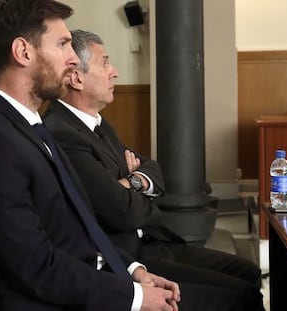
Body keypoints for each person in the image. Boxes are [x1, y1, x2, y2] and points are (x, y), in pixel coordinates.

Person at [0, 1, 248, 311]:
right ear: (23, 52)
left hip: (102, 279)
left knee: (240, 297)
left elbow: (82, 228)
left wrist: (134, 270)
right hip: (63, 301)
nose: (73, 58)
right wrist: (136, 297)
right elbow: (36, 266)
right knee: (238, 303)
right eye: (63, 44)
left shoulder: (28, 126)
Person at [43, 30, 265, 310]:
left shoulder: (97, 123)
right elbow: (120, 211)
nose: (114, 72)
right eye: (105, 63)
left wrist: (129, 182)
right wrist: (134, 186)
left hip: (153, 239)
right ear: (76, 78)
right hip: (129, 257)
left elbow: (153, 169)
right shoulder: (63, 132)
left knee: (250, 273)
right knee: (244, 297)